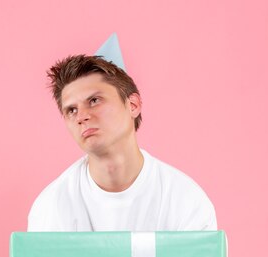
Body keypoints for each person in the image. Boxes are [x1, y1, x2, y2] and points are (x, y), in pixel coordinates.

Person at [27, 35, 216, 232]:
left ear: (133, 105)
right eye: (71, 110)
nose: (81, 116)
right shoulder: (50, 208)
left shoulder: (186, 201)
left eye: (94, 100)